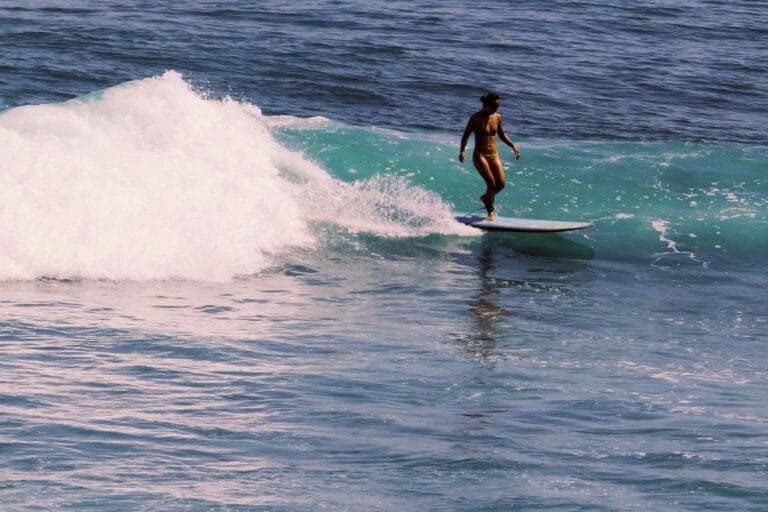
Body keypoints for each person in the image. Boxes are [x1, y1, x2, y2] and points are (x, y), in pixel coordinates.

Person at [459, 92, 521, 220]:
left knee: (501, 184)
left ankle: (485, 197)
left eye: (498, 107)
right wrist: (462, 151)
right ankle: (490, 211)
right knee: (491, 184)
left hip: (494, 154)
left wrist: (513, 145)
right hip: (480, 155)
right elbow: (466, 135)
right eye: (494, 106)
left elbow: (502, 135)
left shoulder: (497, 117)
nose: (496, 109)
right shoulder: (475, 117)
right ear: (486, 105)